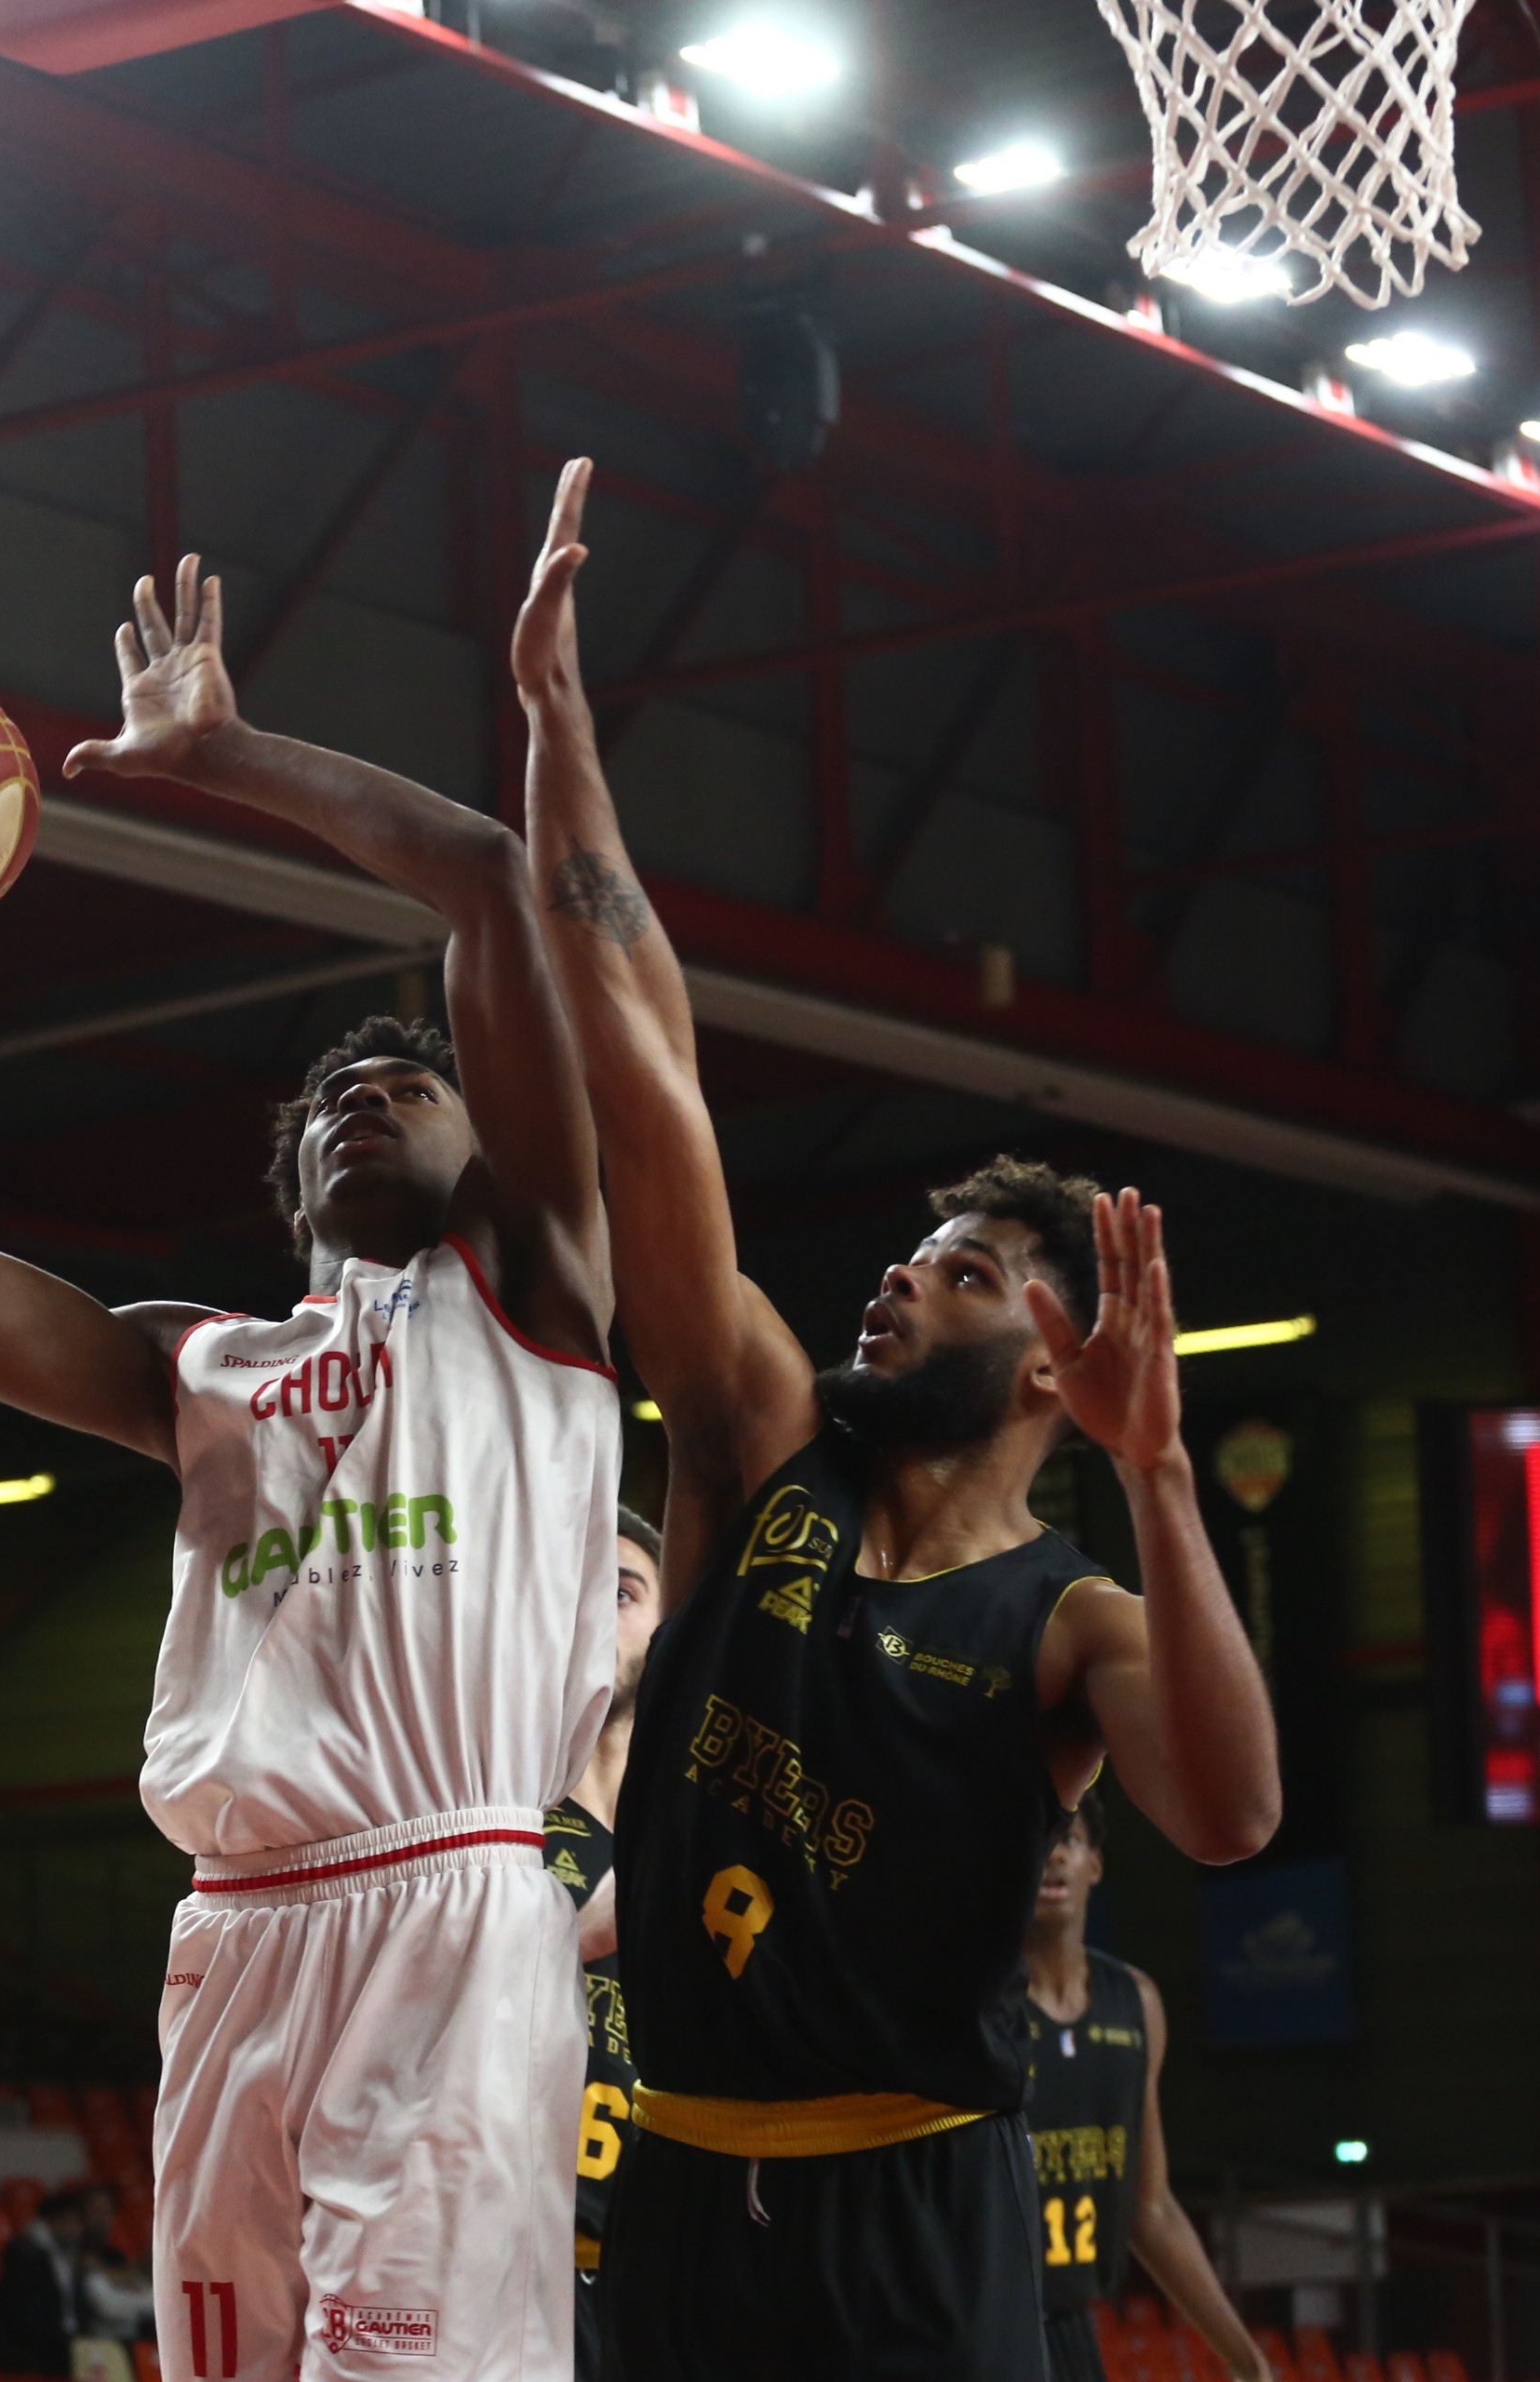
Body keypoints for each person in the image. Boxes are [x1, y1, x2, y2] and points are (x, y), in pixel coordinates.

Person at [0, 534, 623, 2382]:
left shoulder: (536, 1293)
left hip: (454, 1906)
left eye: (412, 1085)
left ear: (490, 1150)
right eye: (335, 1093)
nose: (366, 1098)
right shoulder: (199, 1363)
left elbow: (487, 882)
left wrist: (224, 753)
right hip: (233, 1940)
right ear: (285, 1175)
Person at [512, 455, 1282, 2382]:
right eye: (905, 1249)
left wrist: (1163, 1477)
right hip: (677, 2195)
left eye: (953, 1263)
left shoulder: (1072, 1615)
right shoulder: (764, 1440)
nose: (895, 1275)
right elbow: (646, 1055)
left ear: (1049, 1356)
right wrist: (556, 728)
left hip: (929, 2211)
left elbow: (1231, 1810)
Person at [1024, 1798, 1266, 2382]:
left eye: (1070, 1841)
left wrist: (1248, 2362)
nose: (1054, 1856)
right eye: (1034, 1844)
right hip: (976, 2322)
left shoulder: (1136, 2004)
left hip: (1069, 2323)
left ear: (1096, 1865)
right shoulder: (975, 2006)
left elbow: (1149, 2209)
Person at [542, 1510, 661, 2382]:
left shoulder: (702, 1828)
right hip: (523, 2272)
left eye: (621, 1590)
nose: (594, 1607)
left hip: (674, 2282)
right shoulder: (487, 1822)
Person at [0, 2186, 100, 2377]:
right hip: (30, 2348)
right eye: (77, 2222)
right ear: (58, 2220)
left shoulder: (67, 2256)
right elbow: (26, 2316)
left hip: (60, 2342)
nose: (80, 2230)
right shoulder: (25, 2256)